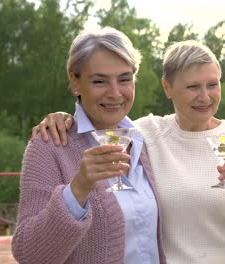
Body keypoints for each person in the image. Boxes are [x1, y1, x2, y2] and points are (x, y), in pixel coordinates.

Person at [33, 40, 225, 263]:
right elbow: (101, 119)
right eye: (193, 86)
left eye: (212, 85)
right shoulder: (143, 135)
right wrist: (64, 118)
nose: (205, 97)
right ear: (167, 87)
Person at [12, 27, 166, 264]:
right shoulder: (50, 146)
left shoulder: (142, 141)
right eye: (99, 81)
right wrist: (78, 189)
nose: (115, 93)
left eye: (124, 79)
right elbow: (28, 254)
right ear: (75, 81)